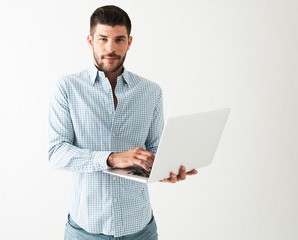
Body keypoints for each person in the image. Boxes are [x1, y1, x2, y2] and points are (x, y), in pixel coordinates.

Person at [48, 5, 198, 239]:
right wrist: (111, 158)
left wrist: (166, 169)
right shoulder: (67, 89)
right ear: (90, 41)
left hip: (140, 228)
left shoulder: (151, 92)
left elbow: (155, 150)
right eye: (103, 39)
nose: (111, 48)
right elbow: (56, 152)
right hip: (86, 230)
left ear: (129, 42)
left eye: (119, 39)